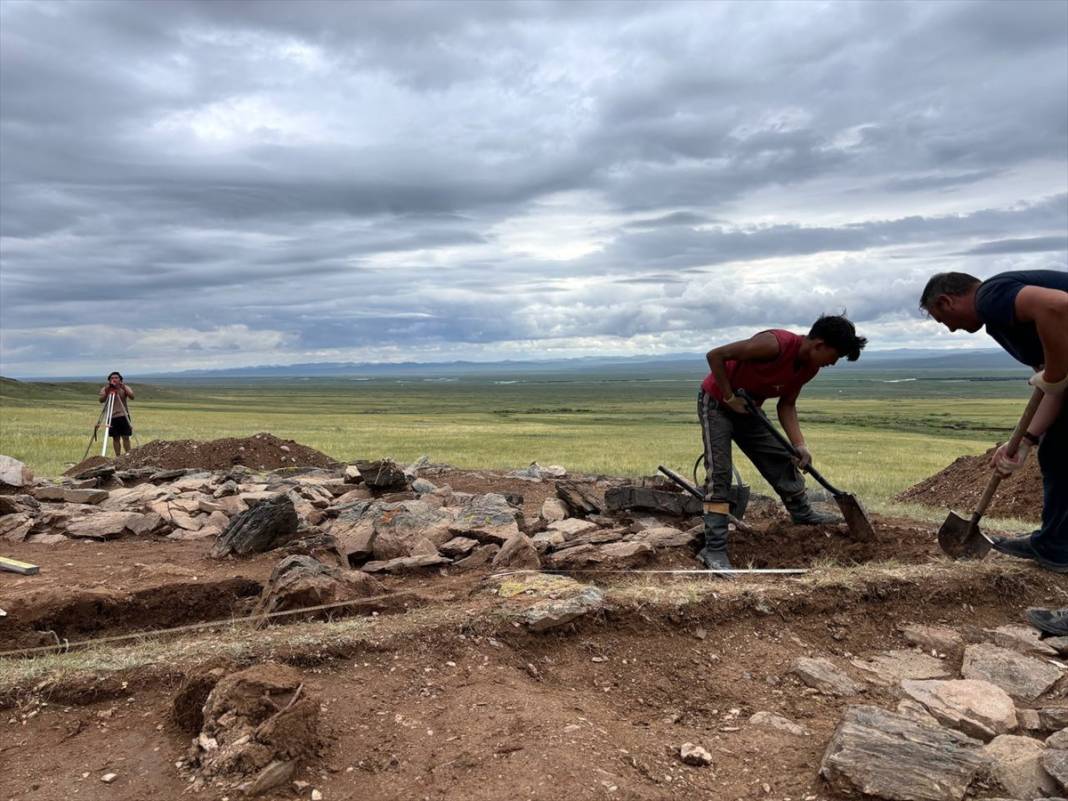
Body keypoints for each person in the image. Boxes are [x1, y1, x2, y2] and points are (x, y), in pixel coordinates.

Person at [919, 269, 1068, 572]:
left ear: (947, 302)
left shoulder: (990, 296)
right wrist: (1027, 440)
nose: (950, 330)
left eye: (942, 320)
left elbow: (1057, 305)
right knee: (1057, 451)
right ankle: (1054, 546)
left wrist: (1055, 372)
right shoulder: (1003, 321)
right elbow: (1056, 391)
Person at [697, 315, 868, 570]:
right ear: (819, 344)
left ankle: (802, 513)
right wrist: (729, 396)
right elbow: (715, 355)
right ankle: (714, 549)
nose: (833, 362)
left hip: (748, 409)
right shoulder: (774, 344)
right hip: (717, 404)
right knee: (720, 474)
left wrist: (800, 445)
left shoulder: (809, 367)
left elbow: (786, 404)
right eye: (835, 355)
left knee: (781, 456)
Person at [98, 371, 135, 455]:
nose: (114, 379)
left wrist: (123, 387)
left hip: (123, 415)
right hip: (112, 416)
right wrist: (108, 391)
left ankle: (128, 455)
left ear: (120, 379)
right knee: (115, 438)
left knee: (126, 437)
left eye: (116, 378)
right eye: (112, 378)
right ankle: (118, 457)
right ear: (109, 380)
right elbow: (101, 400)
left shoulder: (124, 387)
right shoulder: (106, 389)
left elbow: (132, 396)